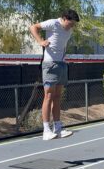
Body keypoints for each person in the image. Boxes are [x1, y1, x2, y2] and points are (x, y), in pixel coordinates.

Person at [29, 9, 80, 140]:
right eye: (70, 23)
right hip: (50, 64)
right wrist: (40, 41)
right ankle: (46, 130)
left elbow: (61, 45)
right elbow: (33, 27)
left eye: (73, 24)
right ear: (63, 18)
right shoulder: (53, 23)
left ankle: (57, 128)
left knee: (57, 97)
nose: (71, 26)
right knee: (49, 96)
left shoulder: (69, 30)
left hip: (62, 64)